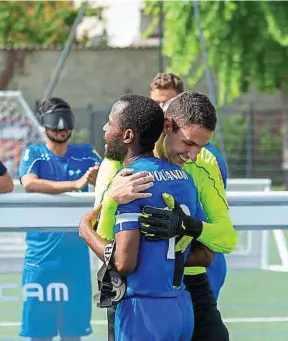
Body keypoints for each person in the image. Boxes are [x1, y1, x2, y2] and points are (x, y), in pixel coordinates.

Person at [92, 90, 235, 341]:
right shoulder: (116, 162)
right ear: (166, 126)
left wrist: (187, 225)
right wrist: (110, 199)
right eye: (188, 143)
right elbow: (107, 237)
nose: (193, 155)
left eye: (201, 147)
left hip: (187, 289)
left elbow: (226, 240)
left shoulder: (202, 165)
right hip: (137, 293)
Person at [18, 97, 101, 341]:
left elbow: (109, 176)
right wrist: (75, 184)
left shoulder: (85, 153)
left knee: (73, 333)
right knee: (39, 333)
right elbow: (30, 184)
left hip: (76, 258)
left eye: (66, 120)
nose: (62, 127)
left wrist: (99, 178)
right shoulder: (34, 153)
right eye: (55, 121)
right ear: (43, 125)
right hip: (41, 260)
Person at [150, 72, 229, 301]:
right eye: (156, 103)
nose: (162, 109)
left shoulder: (206, 158)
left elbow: (210, 220)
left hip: (200, 269)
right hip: (169, 267)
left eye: (167, 103)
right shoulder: (147, 154)